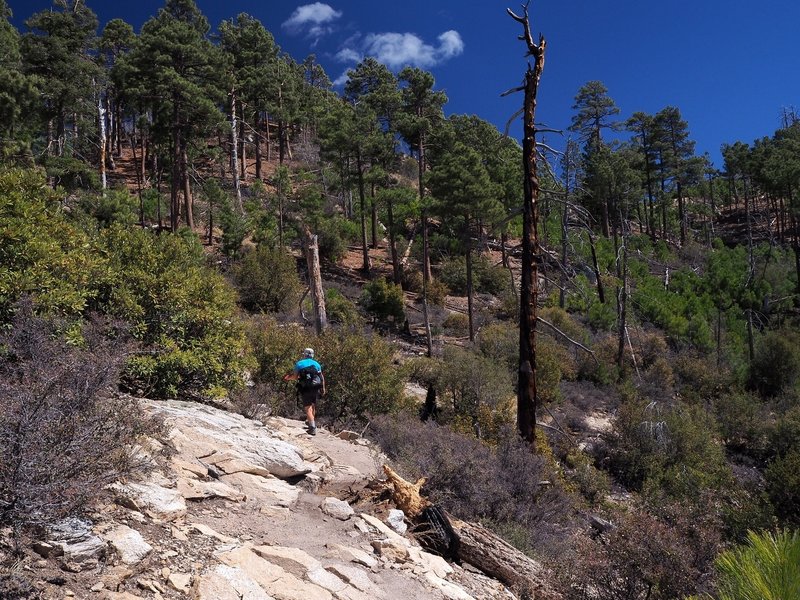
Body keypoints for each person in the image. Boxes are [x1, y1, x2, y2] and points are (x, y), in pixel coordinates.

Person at [283, 347, 325, 435]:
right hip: (316, 386)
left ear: (304, 354)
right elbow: (321, 377)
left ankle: (312, 427)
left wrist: (288, 378)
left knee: (308, 408)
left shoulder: (299, 364)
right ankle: (311, 421)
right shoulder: (317, 364)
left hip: (306, 387)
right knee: (313, 405)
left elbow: (295, 377)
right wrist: (323, 388)